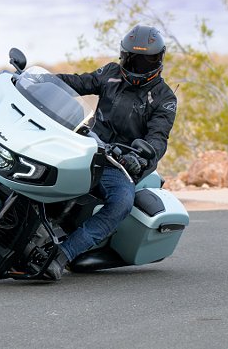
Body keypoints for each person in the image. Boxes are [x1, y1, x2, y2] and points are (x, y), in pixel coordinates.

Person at [46, 24, 178, 280]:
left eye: (145, 61)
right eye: (132, 59)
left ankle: (62, 256)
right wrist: (42, 82)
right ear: (123, 55)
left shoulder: (165, 98)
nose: (137, 66)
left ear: (158, 60)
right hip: (89, 145)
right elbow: (78, 82)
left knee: (121, 203)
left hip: (122, 164)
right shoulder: (111, 73)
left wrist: (140, 158)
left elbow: (158, 137)